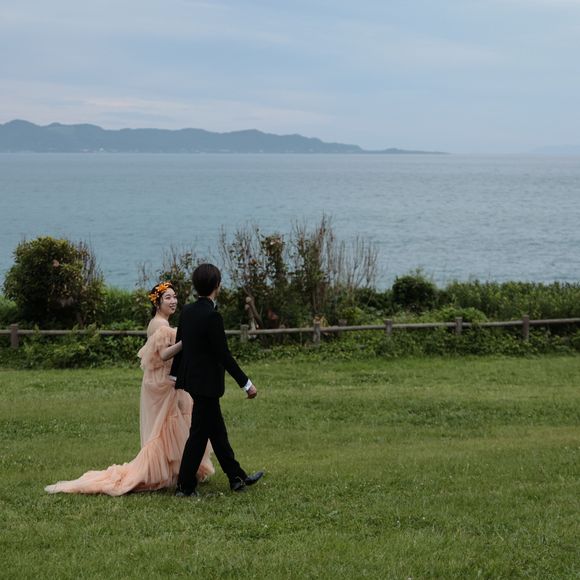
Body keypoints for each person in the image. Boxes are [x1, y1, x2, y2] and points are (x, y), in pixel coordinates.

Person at [45, 281, 214, 496]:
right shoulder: (160, 325)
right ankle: (162, 472)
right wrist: (185, 341)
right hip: (162, 382)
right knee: (164, 427)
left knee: (173, 424)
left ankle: (178, 471)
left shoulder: (162, 323)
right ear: (157, 303)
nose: (173, 301)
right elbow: (163, 355)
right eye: (168, 298)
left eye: (174, 297)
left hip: (165, 379)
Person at [172, 263, 264, 497]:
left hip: (193, 381)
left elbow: (181, 346)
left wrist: (175, 376)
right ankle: (185, 486)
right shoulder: (212, 316)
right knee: (199, 435)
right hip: (207, 385)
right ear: (217, 286)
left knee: (217, 431)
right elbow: (223, 355)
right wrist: (246, 384)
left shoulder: (188, 311)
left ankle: (236, 477)